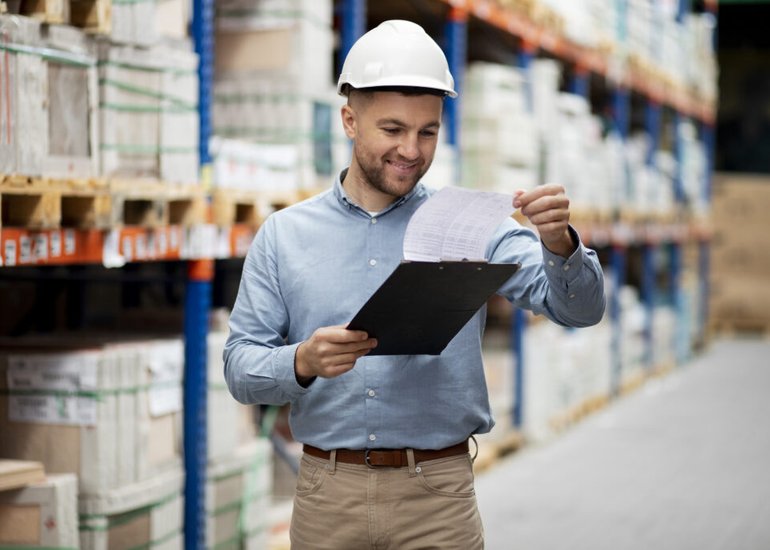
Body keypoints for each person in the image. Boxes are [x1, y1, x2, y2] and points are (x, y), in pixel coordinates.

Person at [224, 19, 606, 550]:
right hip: (327, 497)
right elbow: (240, 369)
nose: (411, 149)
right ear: (349, 120)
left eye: (428, 132)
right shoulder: (285, 236)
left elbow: (579, 311)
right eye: (393, 129)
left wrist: (560, 244)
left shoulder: (472, 225)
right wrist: (302, 362)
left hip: (438, 498)